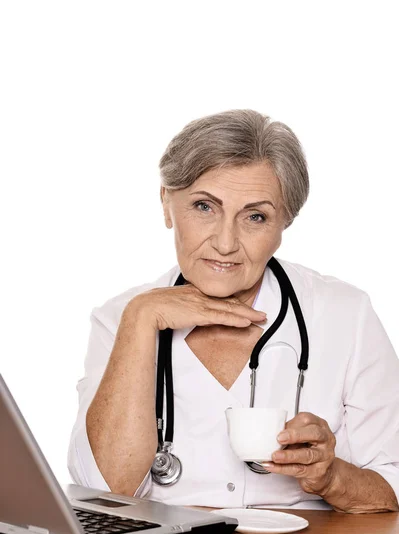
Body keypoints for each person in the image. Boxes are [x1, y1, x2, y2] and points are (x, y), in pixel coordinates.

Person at [68, 109, 399, 512]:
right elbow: (101, 495)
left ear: (285, 224)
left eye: (255, 216)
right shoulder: (120, 317)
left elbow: (391, 487)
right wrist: (142, 319)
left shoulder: (346, 315)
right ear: (166, 204)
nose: (225, 243)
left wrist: (331, 477)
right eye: (204, 207)